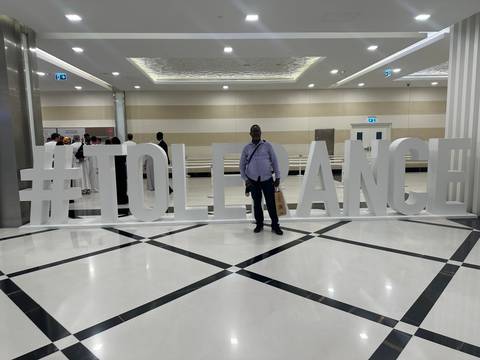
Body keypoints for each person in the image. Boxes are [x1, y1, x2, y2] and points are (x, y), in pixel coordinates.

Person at [240, 125, 283, 235]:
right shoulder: (246, 148)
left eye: (257, 131)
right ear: (250, 134)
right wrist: (246, 179)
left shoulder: (267, 146)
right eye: (254, 131)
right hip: (253, 181)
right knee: (257, 204)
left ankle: (275, 225)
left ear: (260, 133)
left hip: (267, 179)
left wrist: (277, 177)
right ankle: (259, 224)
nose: (256, 133)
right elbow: (241, 165)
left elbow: (275, 161)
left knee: (271, 203)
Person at [111, 137, 129, 204]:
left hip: (117, 170)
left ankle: (119, 199)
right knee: (123, 184)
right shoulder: (122, 148)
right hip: (122, 169)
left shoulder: (113, 150)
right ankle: (124, 198)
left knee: (118, 185)